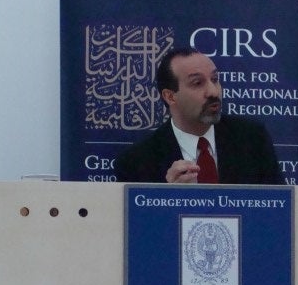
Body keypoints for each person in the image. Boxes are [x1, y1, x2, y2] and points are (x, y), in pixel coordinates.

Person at [114, 47, 283, 184]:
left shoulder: (252, 139)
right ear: (170, 96)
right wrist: (166, 196)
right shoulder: (137, 161)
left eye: (215, 79)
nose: (213, 91)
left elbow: (277, 208)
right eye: (197, 83)